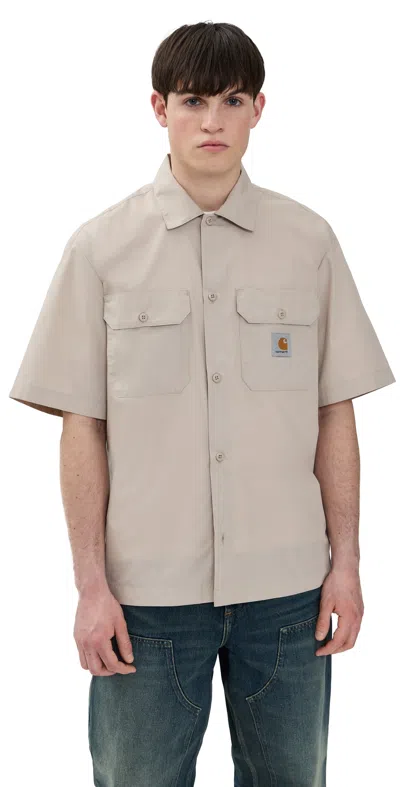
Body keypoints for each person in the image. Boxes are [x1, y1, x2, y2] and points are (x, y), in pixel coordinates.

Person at [9, 20, 395, 787]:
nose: (213, 120)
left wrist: (347, 563)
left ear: (259, 109)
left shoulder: (310, 243)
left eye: (232, 99)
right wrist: (90, 585)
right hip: (145, 602)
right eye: (192, 100)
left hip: (288, 594)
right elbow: (82, 427)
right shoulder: (100, 249)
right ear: (159, 108)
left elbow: (334, 413)